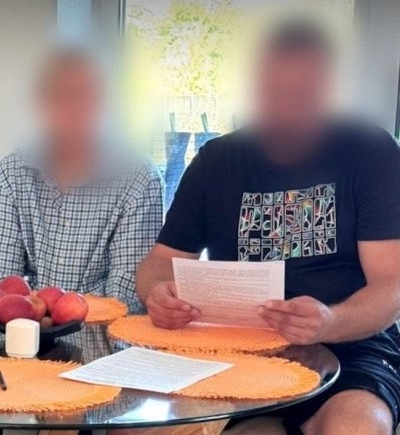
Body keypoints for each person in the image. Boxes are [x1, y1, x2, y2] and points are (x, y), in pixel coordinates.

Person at [137, 19, 400, 435]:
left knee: (357, 426)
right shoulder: (215, 162)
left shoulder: (371, 153)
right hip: (236, 351)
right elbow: (159, 262)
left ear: (328, 90)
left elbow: (390, 287)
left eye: (304, 95)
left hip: (349, 346)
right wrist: (158, 293)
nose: (288, 110)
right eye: (276, 93)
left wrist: (329, 321)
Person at [0, 49, 163, 314]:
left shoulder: (139, 178)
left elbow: (124, 298)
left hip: (105, 335)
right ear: (41, 104)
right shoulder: (11, 173)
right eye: (59, 97)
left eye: (86, 96)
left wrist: (52, 312)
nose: (73, 110)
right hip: (24, 332)